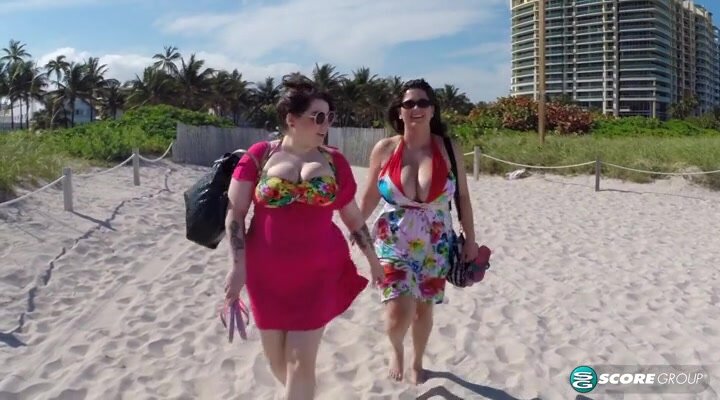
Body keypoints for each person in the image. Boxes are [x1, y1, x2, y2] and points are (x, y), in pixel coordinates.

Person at [224, 74, 384, 400]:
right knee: (278, 362)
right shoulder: (259, 155)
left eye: (330, 117)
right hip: (265, 274)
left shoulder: (334, 161)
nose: (325, 124)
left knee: (300, 362)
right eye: (318, 117)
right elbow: (235, 214)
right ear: (291, 119)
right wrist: (237, 267)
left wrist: (373, 261)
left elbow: (353, 217)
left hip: (318, 272)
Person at [358, 79, 478, 384]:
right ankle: (396, 347)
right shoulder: (385, 149)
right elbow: (370, 195)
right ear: (399, 111)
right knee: (398, 310)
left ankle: (417, 361)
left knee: (424, 308)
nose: (416, 108)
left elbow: (463, 197)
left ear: (432, 110)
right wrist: (356, 225)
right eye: (409, 103)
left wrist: (471, 240)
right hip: (392, 239)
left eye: (423, 102)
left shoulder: (448, 148)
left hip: (436, 242)